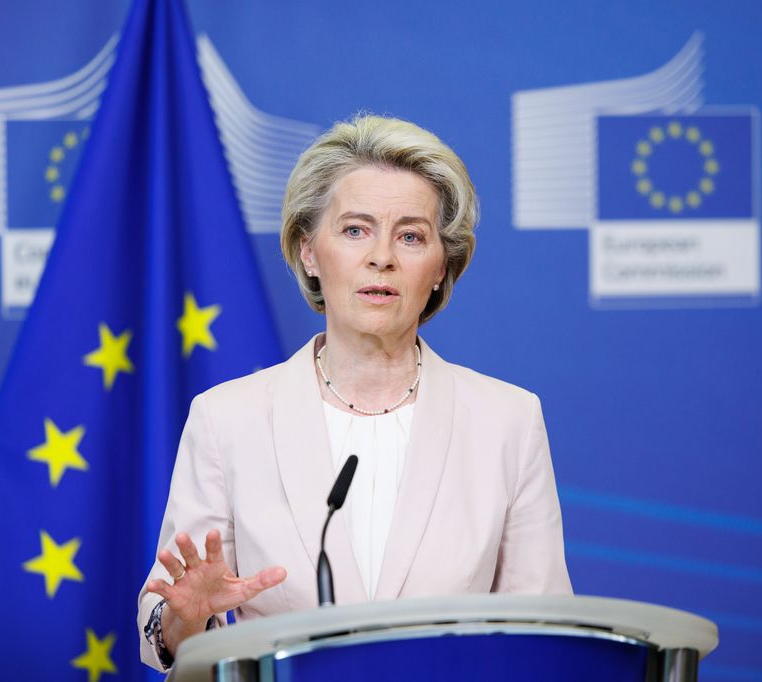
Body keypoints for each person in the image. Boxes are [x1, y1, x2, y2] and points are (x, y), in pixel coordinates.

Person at [137, 115, 572, 671]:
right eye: (355, 230)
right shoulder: (228, 419)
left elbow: (543, 631)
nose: (382, 257)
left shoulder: (506, 419)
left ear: (441, 266)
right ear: (309, 253)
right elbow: (164, 617)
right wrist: (187, 617)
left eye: (411, 235)